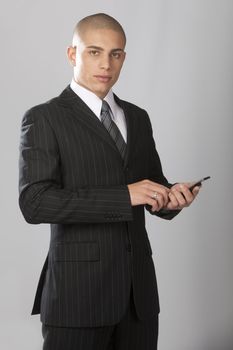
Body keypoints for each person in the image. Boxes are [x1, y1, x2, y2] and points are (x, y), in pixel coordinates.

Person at [18, 13, 200, 350]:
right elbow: (35, 202)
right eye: (94, 52)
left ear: (124, 58)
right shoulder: (45, 118)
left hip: (138, 299)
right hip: (78, 298)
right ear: (73, 54)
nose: (106, 64)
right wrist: (123, 196)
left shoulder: (138, 117)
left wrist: (171, 197)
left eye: (115, 54)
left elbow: (150, 185)